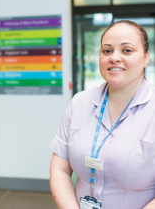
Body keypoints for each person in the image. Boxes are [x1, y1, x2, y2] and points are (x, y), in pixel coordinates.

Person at [49, 20, 155, 209]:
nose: (114, 57)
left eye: (127, 50)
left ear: (146, 57)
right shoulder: (79, 103)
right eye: (107, 51)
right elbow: (60, 170)